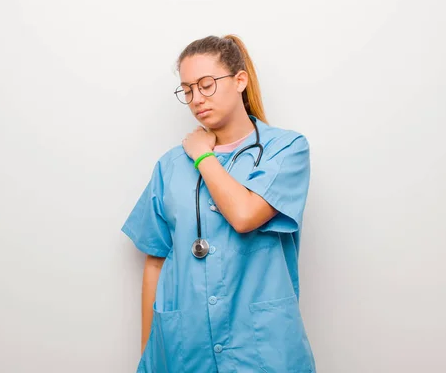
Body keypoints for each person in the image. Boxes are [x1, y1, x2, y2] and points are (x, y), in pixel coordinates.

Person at [121, 34, 316, 373]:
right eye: (188, 89)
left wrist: (202, 156)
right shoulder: (169, 165)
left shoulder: (285, 149)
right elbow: (155, 260)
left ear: (240, 80)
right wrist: (148, 353)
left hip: (262, 347)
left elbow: (244, 215)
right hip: (184, 348)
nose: (197, 98)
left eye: (207, 84)